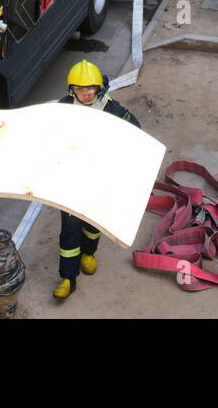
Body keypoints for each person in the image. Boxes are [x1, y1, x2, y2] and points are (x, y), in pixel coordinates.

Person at [52, 60, 141, 300]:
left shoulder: (111, 108)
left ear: (99, 88)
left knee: (93, 225)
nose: (86, 94)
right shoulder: (64, 107)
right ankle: (68, 279)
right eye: (80, 90)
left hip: (101, 178)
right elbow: (49, 136)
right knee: (70, 230)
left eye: (90, 89)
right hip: (71, 181)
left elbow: (136, 131)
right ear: (72, 90)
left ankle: (89, 253)